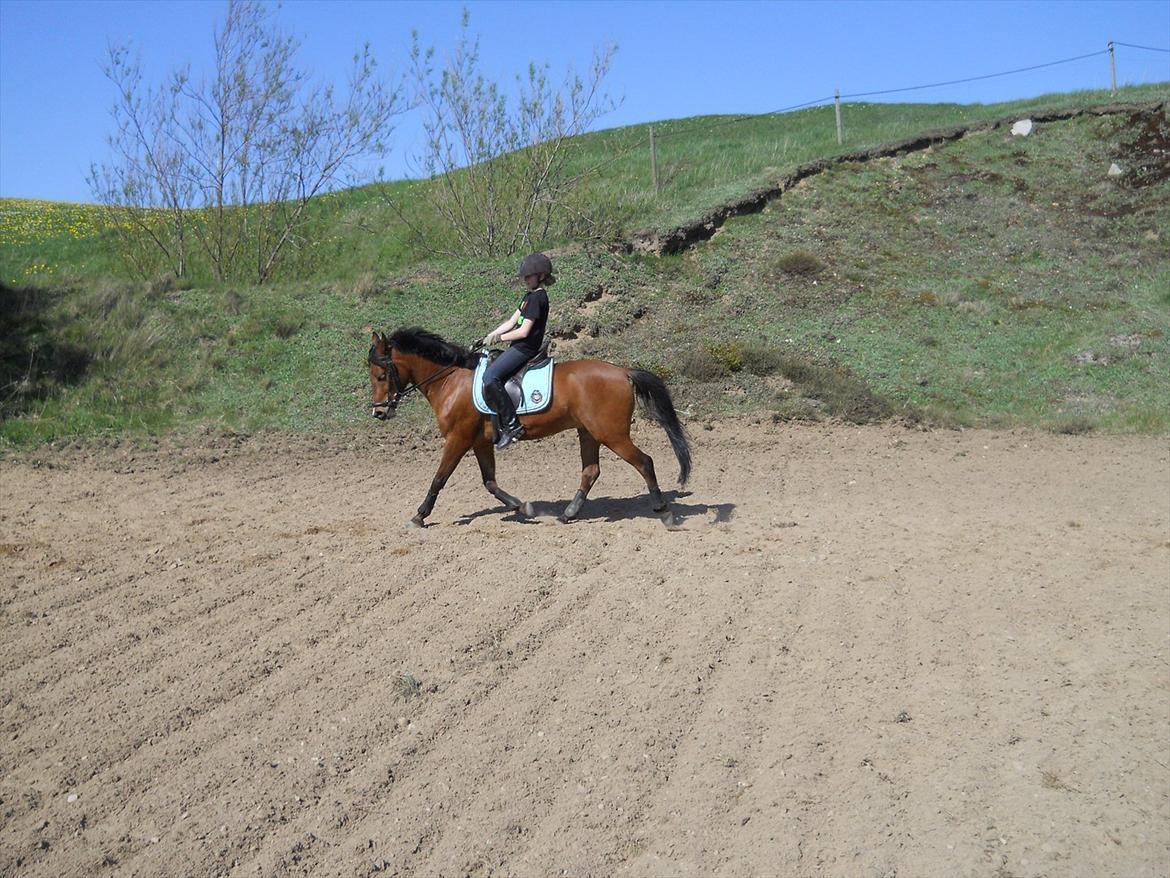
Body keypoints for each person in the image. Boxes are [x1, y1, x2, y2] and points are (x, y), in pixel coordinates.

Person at [480, 252, 553, 450]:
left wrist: (499, 338)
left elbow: (523, 331)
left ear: (541, 276)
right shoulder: (528, 297)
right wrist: (489, 335)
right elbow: (512, 322)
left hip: (525, 348)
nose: (524, 279)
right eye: (524, 276)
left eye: (528, 276)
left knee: (490, 377)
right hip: (518, 346)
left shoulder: (539, 298)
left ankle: (513, 426)